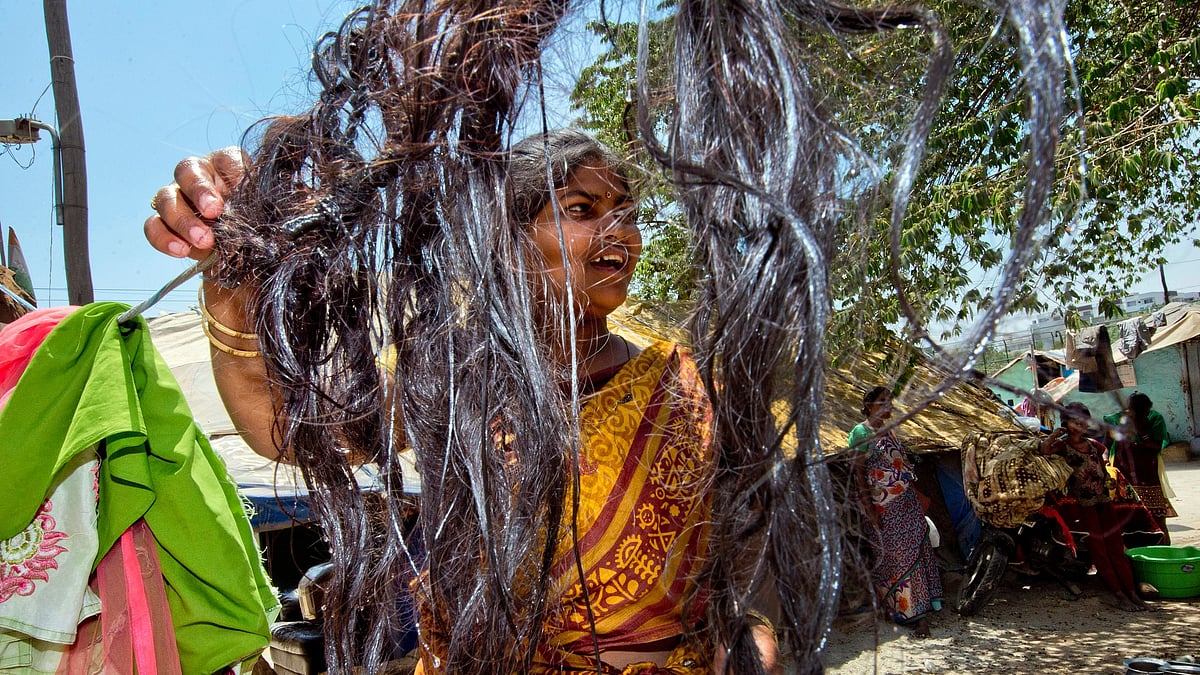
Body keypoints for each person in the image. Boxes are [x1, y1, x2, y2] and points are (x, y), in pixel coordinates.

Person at [138, 0, 1070, 672]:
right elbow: (283, 430)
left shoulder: (685, 379)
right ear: (506, 237)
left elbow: (746, 536)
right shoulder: (457, 382)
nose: (620, 233)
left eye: (627, 210)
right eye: (582, 209)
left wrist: (757, 632)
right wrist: (231, 275)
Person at [847, 386, 943, 638]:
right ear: (869, 405)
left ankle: (922, 610)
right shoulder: (860, 432)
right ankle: (908, 614)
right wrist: (870, 509)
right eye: (882, 401)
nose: (889, 405)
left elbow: (901, 468)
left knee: (917, 553)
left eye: (889, 401)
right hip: (883, 508)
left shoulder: (889, 431)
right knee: (896, 560)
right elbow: (858, 474)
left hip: (907, 504)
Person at [1040, 402, 1147, 611]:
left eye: (1083, 420)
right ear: (1066, 423)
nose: (1080, 424)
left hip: (1104, 501)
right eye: (1074, 420)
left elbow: (1105, 466)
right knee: (1100, 550)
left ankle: (1132, 593)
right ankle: (1118, 595)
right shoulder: (1063, 446)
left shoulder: (1095, 446)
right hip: (1083, 505)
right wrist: (1055, 434)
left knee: (1116, 547)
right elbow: (1044, 451)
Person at [1104, 392, 1177, 542]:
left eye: (1143, 412)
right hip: (1123, 474)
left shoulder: (1154, 419)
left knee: (1157, 517)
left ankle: (1162, 550)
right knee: (1125, 516)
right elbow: (1107, 445)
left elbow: (1156, 447)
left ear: (1148, 410)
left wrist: (1140, 428)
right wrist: (1104, 461)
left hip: (1148, 474)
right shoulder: (1115, 420)